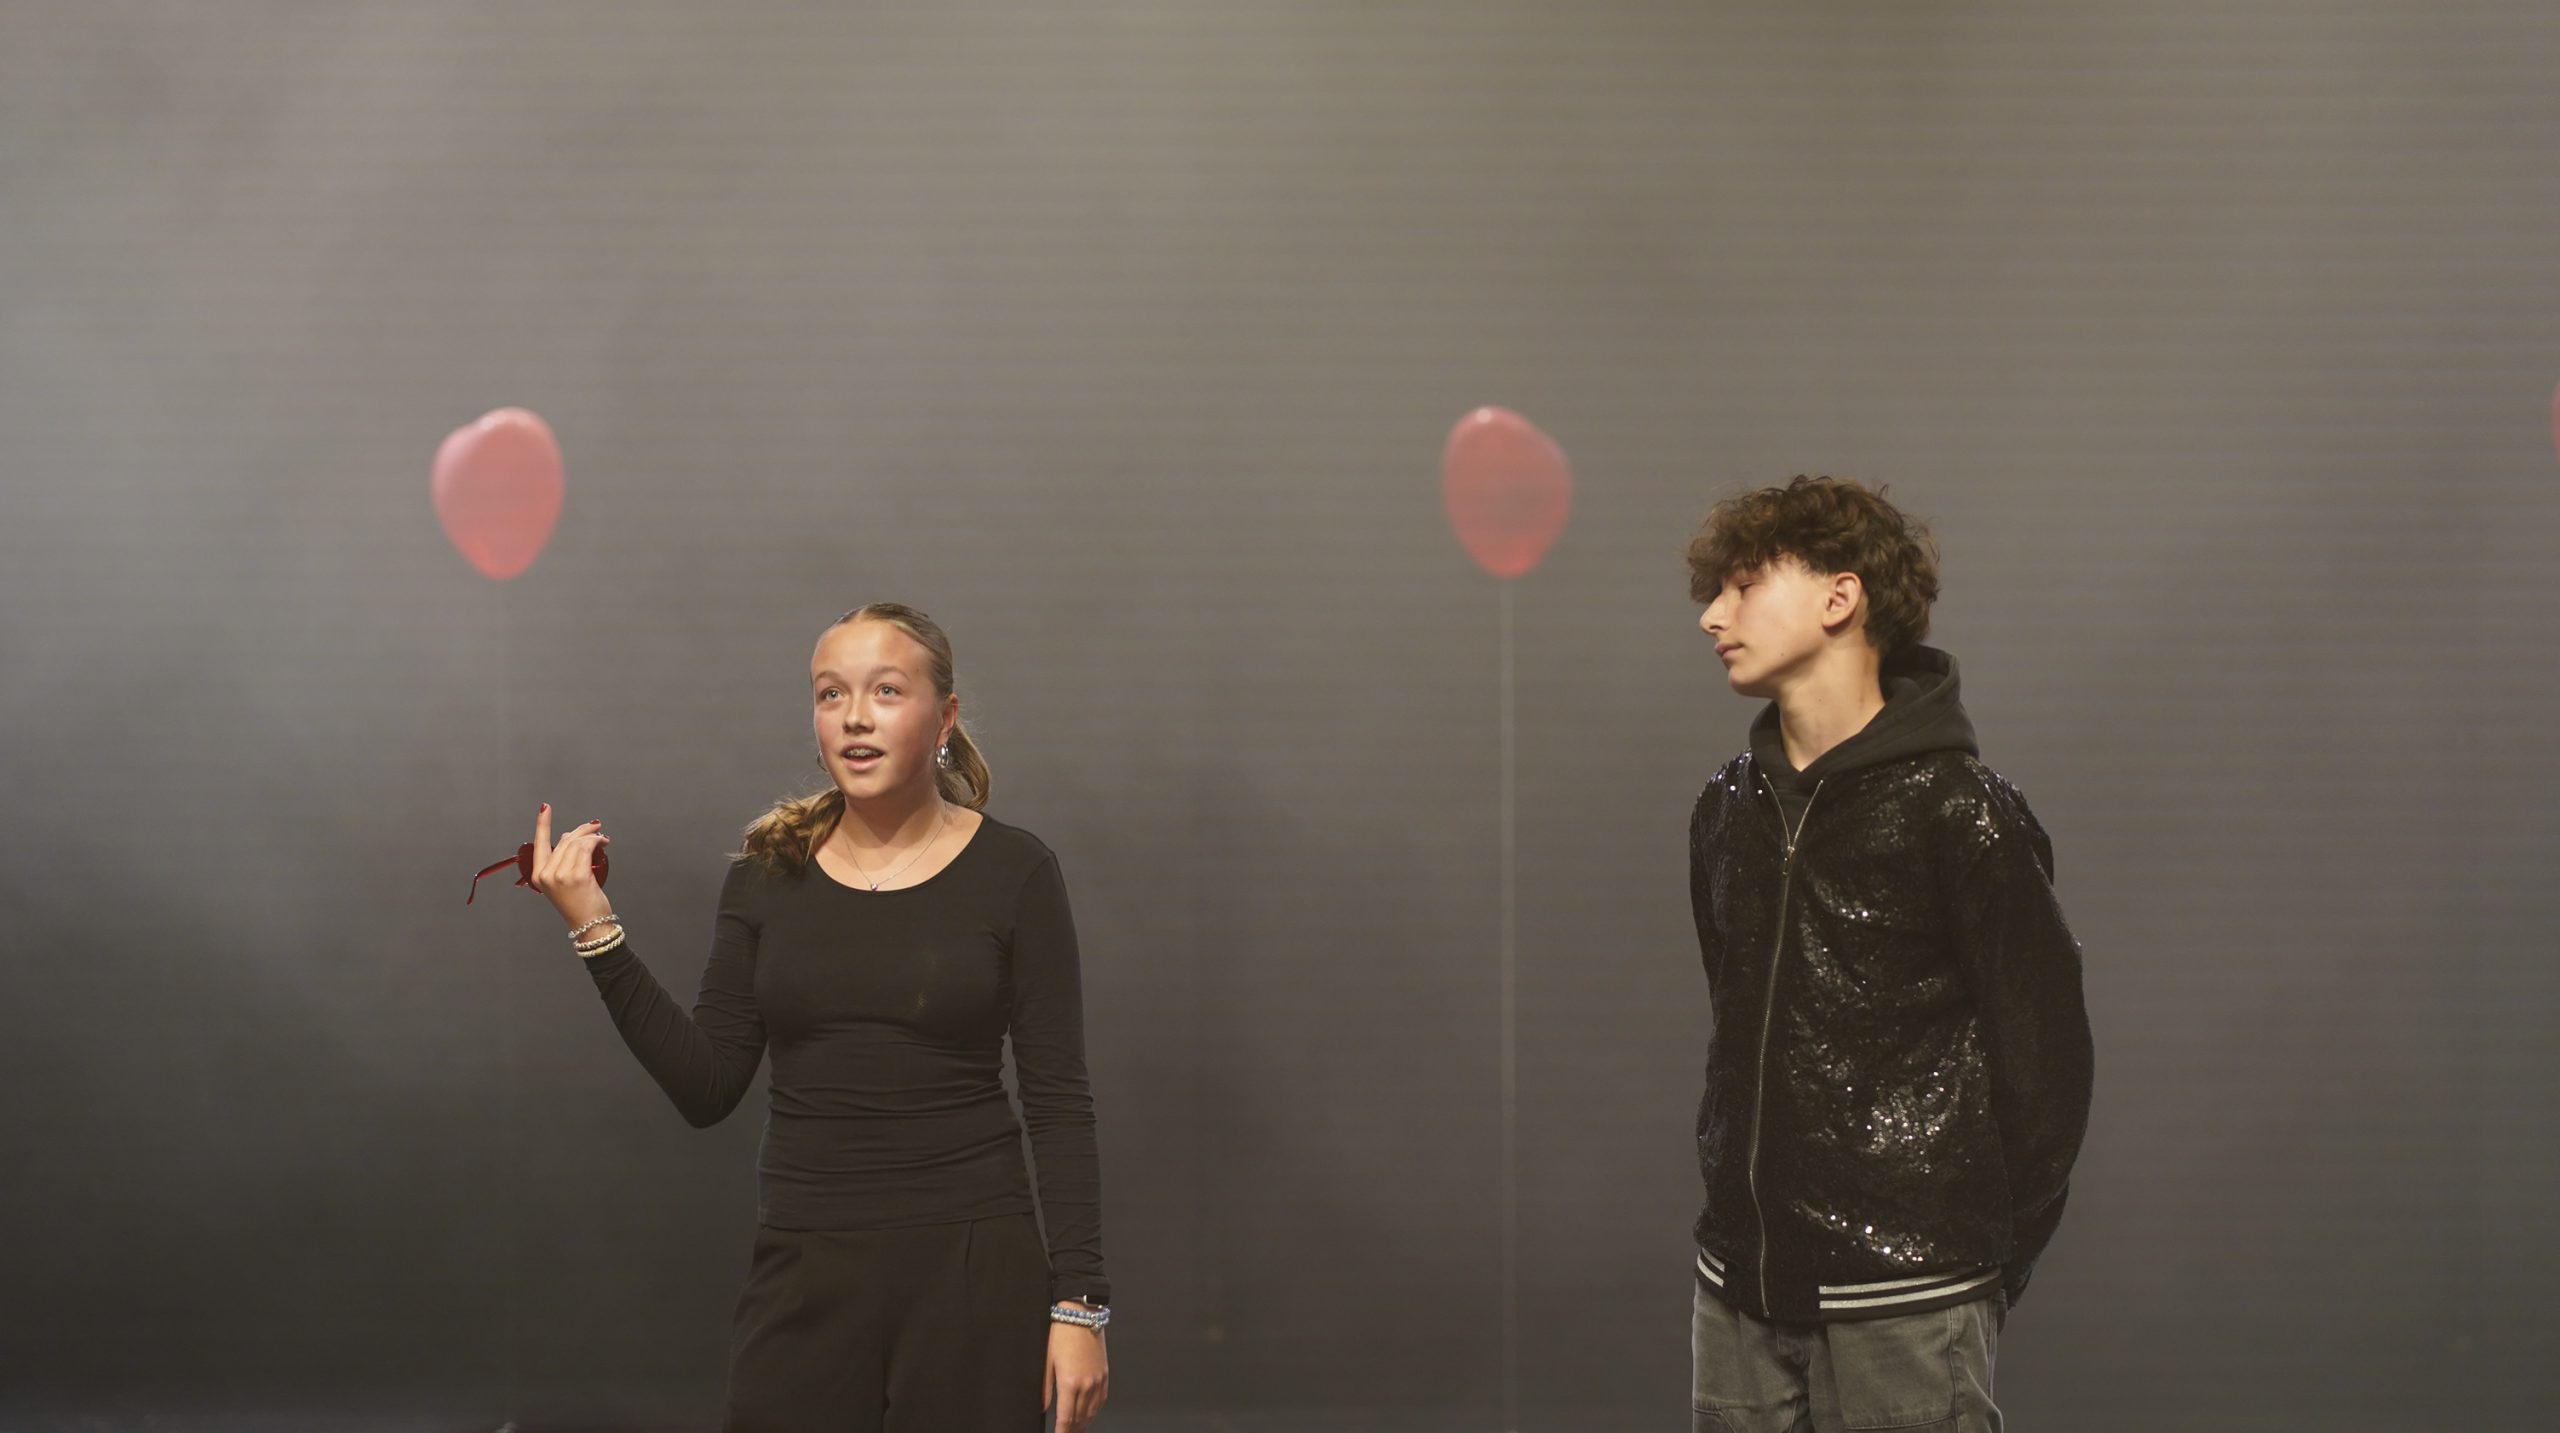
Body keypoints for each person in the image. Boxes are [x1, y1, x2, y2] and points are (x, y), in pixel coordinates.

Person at [521, 602, 1110, 1433]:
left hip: (973, 1268)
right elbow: (707, 1084)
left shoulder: (1016, 871)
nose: (855, 716)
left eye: (886, 690)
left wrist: (1079, 1304)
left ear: (944, 717)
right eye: (831, 693)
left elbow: (1059, 1102)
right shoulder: (768, 875)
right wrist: (594, 926)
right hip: (805, 1266)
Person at [1683, 478, 2092, 1433]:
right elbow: (1734, 1022)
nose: (1713, 616)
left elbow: (2047, 1063)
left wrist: (1972, 1262)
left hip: (1907, 1301)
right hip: (1739, 1290)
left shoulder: (1961, 812)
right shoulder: (1726, 812)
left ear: (1841, 596)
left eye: (1744, 585)